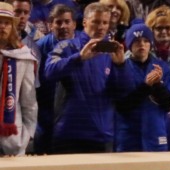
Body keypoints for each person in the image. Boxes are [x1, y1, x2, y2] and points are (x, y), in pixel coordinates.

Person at [45, 2, 128, 153]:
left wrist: (121, 66)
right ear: (84, 22)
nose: (101, 27)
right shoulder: (67, 46)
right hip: (68, 133)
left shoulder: (111, 53)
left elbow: (121, 94)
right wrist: (79, 58)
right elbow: (49, 71)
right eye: (96, 21)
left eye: (105, 22)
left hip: (102, 135)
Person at [115, 23, 170, 151]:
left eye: (145, 41)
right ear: (129, 45)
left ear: (151, 44)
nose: (141, 44)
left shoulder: (162, 67)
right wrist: (146, 86)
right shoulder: (122, 68)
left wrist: (157, 85)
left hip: (156, 134)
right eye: (136, 41)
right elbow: (121, 106)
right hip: (128, 136)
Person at [34, 2, 75, 154]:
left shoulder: (83, 46)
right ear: (50, 25)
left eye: (67, 22)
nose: (63, 26)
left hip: (73, 115)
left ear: (74, 24)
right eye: (58, 22)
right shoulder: (39, 47)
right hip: (45, 114)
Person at [0, 1, 37, 156]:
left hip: (12, 136)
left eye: (7, 23)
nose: (2, 26)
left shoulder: (23, 56)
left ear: (12, 27)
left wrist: (28, 135)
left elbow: (29, 102)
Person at [145, 5, 170, 73]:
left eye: (168, 28)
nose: (164, 31)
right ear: (151, 30)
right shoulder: (144, 50)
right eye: (159, 28)